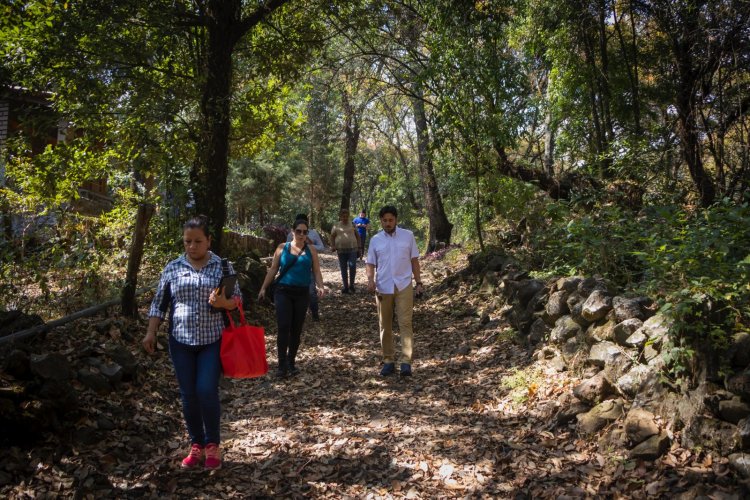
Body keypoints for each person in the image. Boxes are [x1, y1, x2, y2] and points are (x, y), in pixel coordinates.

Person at [143, 215, 240, 471]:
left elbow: (237, 300)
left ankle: (213, 445)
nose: (192, 246)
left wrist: (223, 303)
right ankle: (196, 444)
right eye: (188, 241)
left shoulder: (222, 266)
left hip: (212, 340)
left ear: (209, 240)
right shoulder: (172, 267)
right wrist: (151, 332)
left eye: (198, 241)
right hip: (181, 341)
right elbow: (159, 303)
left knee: (206, 390)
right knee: (188, 395)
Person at [259, 218, 325, 378]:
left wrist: (320, 285)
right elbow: (274, 268)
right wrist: (263, 287)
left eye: (304, 232)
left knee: (296, 329)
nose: (301, 234)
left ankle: (291, 362)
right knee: (283, 327)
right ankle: (281, 365)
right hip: (283, 292)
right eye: (298, 231)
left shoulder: (311, 250)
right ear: (292, 231)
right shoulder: (282, 248)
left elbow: (316, 270)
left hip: (302, 293)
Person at [366, 206, 423, 377]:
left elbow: (414, 260)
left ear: (396, 220)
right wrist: (370, 280)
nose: (388, 223)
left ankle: (406, 362)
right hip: (383, 287)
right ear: (381, 221)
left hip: (404, 284)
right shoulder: (375, 240)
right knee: (385, 325)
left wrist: (419, 282)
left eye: (391, 220)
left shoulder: (408, 236)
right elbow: (370, 262)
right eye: (385, 220)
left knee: (405, 323)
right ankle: (388, 360)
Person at [286, 213, 325, 321]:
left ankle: (315, 313)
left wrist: (309, 245)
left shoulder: (313, 233)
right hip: (293, 268)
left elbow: (321, 247)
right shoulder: (291, 234)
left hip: (309, 266)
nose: (301, 233)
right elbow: (287, 248)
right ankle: (295, 314)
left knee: (311, 291)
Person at [330, 208, 360, 293]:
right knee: (343, 268)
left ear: (348, 216)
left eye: (346, 216)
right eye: (343, 216)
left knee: (352, 266)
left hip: (353, 249)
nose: (345, 218)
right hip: (341, 250)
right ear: (340, 217)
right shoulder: (336, 225)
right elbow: (332, 236)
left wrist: (360, 247)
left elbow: (358, 236)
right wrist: (332, 245)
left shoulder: (353, 224)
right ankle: (345, 287)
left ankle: (352, 285)